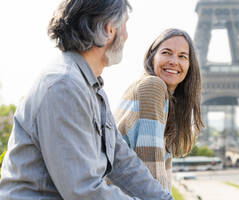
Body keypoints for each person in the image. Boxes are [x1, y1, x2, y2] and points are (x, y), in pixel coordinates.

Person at [0, 1, 174, 199]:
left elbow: (123, 161)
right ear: (109, 29)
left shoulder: (89, 87)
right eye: (125, 26)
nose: (126, 36)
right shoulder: (64, 86)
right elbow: (83, 191)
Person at [114, 28, 205, 191]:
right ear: (152, 57)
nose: (174, 61)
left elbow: (164, 173)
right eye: (166, 52)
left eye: (182, 56)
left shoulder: (160, 97)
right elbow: (152, 169)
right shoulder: (152, 87)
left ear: (190, 65)